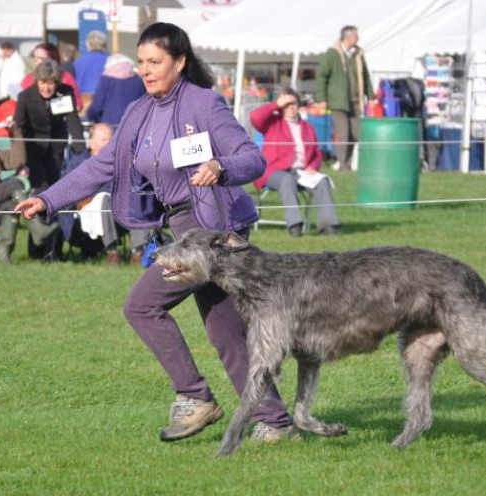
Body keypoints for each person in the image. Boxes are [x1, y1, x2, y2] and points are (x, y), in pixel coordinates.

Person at [16, 22, 297, 443]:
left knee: (142, 306)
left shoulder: (204, 104)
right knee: (226, 332)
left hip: (214, 233)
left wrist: (222, 167)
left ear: (179, 62)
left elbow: (251, 158)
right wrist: (49, 199)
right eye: (141, 63)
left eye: (155, 62)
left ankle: (195, 397)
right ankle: (275, 423)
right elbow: (101, 166)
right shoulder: (138, 112)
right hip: (183, 230)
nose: (146, 71)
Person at [251, 88, 340, 236]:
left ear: (299, 105)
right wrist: (276, 103)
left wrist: (312, 167)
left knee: (322, 181)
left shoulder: (308, 128)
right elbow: (255, 117)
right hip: (273, 171)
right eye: (286, 104)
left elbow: (317, 154)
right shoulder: (272, 123)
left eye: (293, 103)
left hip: (301, 172)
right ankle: (295, 225)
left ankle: (328, 226)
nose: (290, 107)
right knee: (286, 179)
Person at [59, 123, 149, 265]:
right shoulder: (79, 163)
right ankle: (112, 252)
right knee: (103, 199)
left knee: (135, 198)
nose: (109, 144)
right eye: (104, 140)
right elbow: (68, 193)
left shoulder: (121, 162)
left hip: (119, 211)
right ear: (91, 143)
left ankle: (138, 252)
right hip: (87, 211)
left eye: (110, 140)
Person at [15, 59, 85, 192]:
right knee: (41, 187)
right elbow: (18, 124)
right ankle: (40, 212)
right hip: (33, 147)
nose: (46, 88)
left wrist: (81, 148)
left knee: (53, 185)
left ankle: (51, 212)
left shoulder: (65, 92)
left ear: (57, 82)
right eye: (42, 83)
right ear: (36, 81)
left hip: (55, 146)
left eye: (50, 83)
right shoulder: (25, 97)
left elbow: (72, 120)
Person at [315, 25, 375, 172]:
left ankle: (348, 162)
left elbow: (365, 76)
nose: (358, 38)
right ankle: (343, 165)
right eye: (355, 35)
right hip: (338, 102)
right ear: (347, 37)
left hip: (355, 100)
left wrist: (371, 96)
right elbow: (321, 76)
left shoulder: (358, 54)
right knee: (343, 134)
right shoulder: (332, 54)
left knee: (355, 133)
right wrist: (322, 99)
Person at [86, 54, 146, 127]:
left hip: (110, 127)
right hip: (133, 126)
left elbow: (96, 106)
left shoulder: (105, 80)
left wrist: (91, 117)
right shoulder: (138, 81)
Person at [21, 43, 83, 110]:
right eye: (34, 57)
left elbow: (77, 104)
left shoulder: (65, 77)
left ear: (53, 59)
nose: (35, 60)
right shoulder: (28, 78)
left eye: (40, 58)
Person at [74, 30, 109, 99]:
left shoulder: (77, 63)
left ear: (88, 44)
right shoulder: (110, 62)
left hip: (83, 102)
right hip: (104, 101)